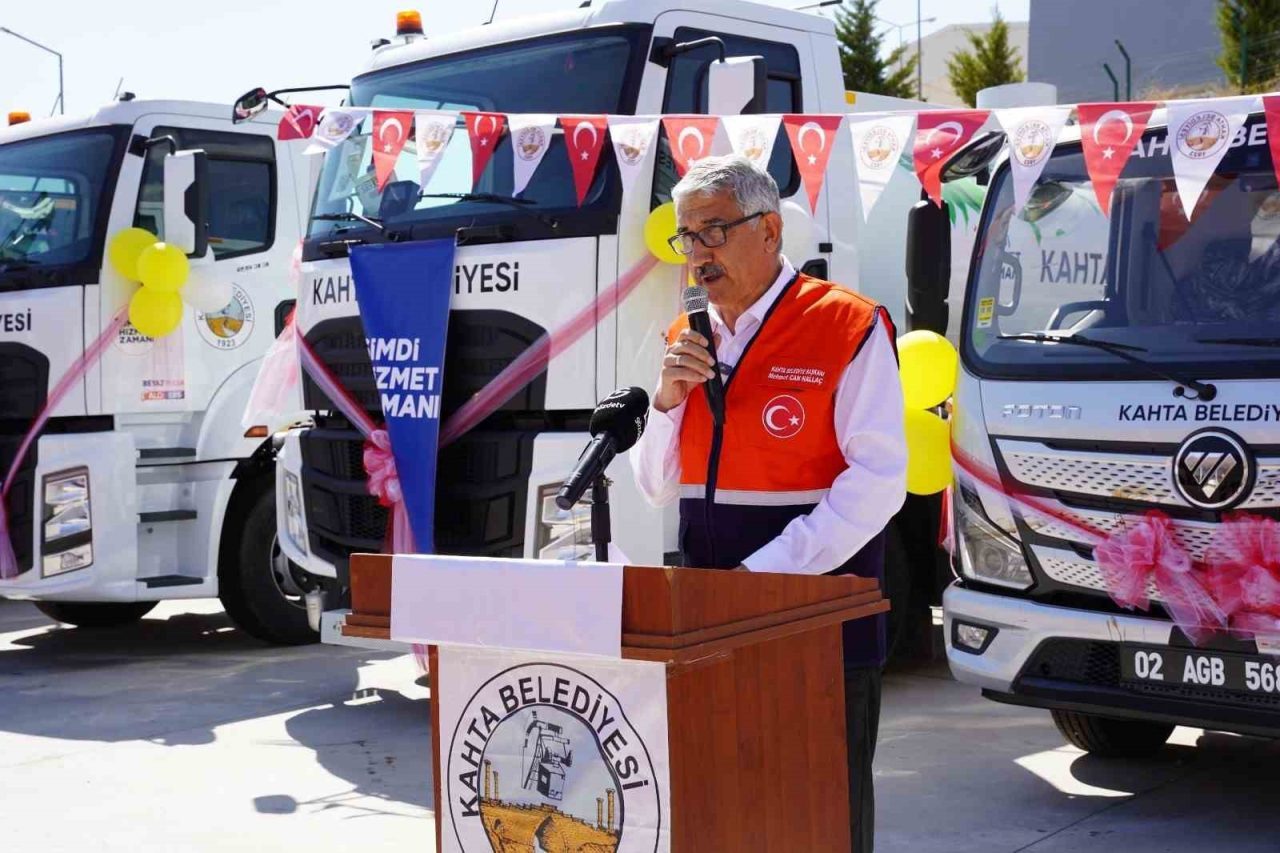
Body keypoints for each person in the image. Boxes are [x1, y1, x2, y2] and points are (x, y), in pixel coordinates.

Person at [630, 154, 907, 853]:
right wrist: (665, 404)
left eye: (712, 232)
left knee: (821, 820)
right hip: (708, 624)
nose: (695, 254)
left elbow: (878, 482)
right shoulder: (683, 336)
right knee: (724, 814)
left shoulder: (847, 325)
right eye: (685, 238)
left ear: (770, 232)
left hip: (816, 628)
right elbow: (655, 487)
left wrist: (765, 578)